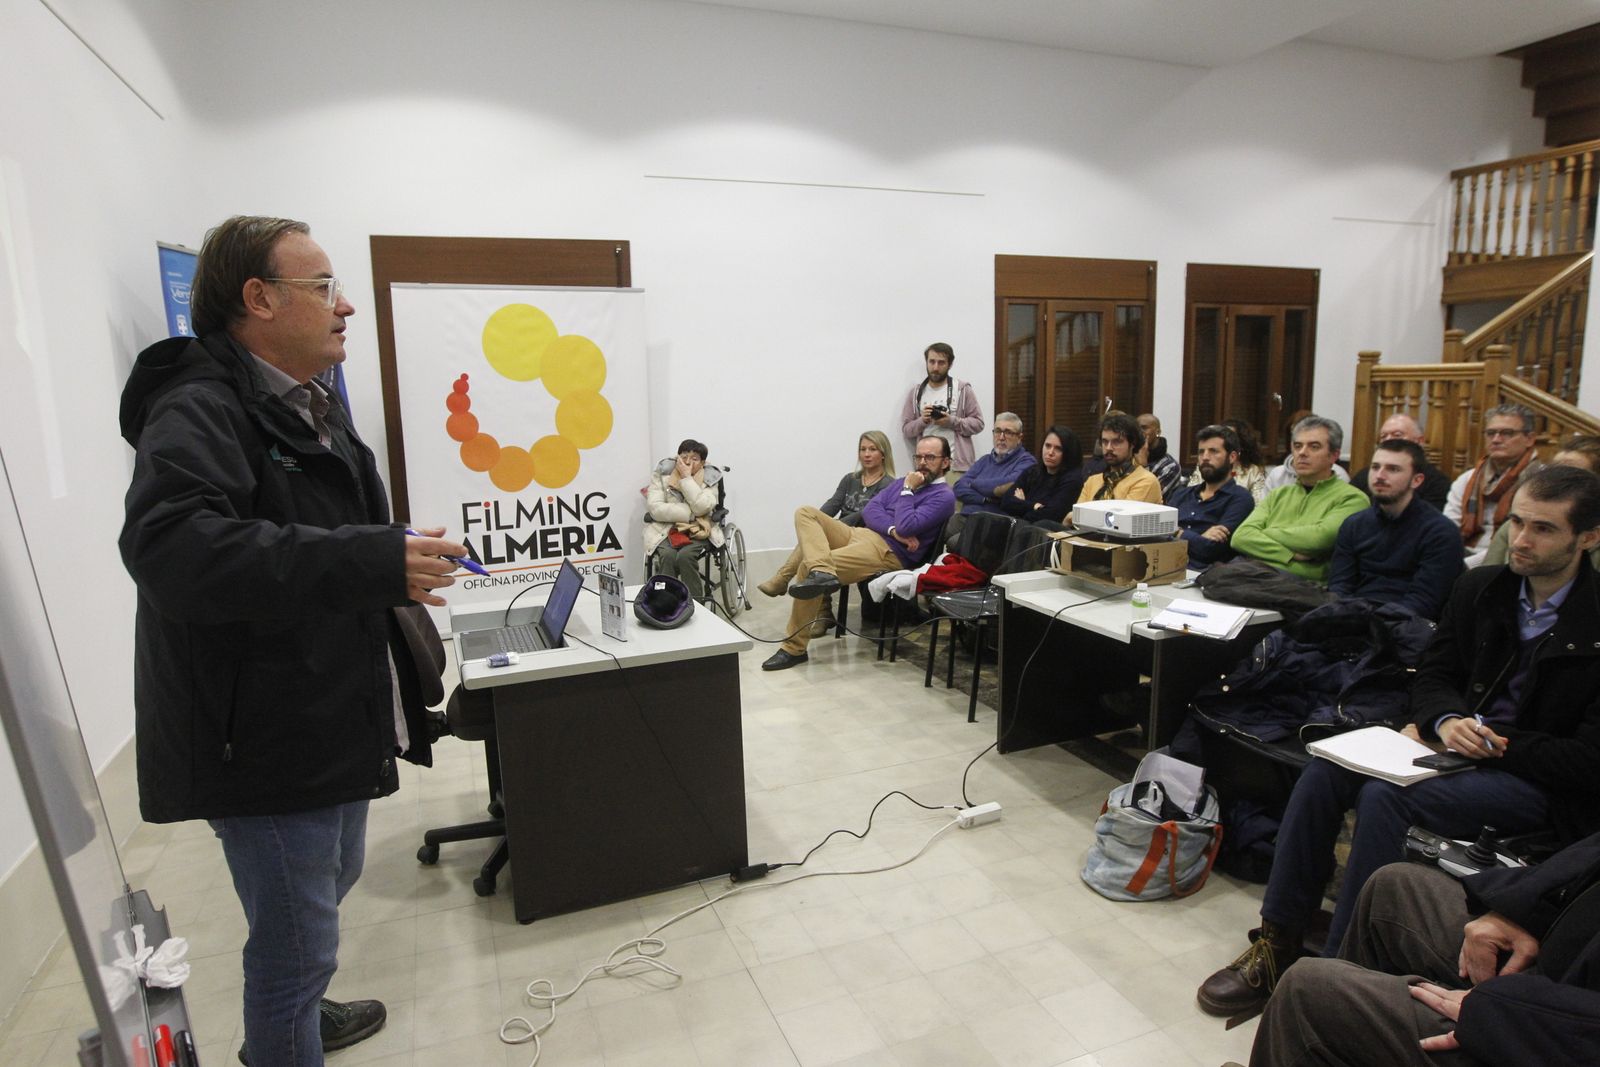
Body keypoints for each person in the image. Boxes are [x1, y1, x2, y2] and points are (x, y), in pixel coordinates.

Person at [118, 216, 467, 1065]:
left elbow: (304, 530)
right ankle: (286, 1030)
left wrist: (383, 550)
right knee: (295, 944)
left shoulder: (306, 399)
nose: (345, 305)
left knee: (329, 883)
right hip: (261, 735)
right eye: (323, 288)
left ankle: (299, 1015)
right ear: (259, 298)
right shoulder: (199, 407)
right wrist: (370, 558)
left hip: (323, 707)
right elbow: (173, 550)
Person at [1198, 464, 1600, 1021]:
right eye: (1517, 522)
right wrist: (1446, 719)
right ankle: (1278, 939)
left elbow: (1589, 760)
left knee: (1385, 796)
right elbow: (1433, 674)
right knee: (1324, 768)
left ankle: (1339, 972)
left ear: (1589, 537)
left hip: (1536, 782)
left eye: (1543, 529)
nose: (1522, 539)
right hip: (1453, 749)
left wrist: (1496, 741)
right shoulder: (1483, 588)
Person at [1239, 834, 1600, 1066]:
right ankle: (1279, 948)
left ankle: (1311, 1029)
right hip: (1561, 966)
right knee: (1393, 888)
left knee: (1309, 990)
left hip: (1557, 1030)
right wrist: (1523, 908)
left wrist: (1507, 1009)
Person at [761, 436, 956, 671]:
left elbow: (907, 526)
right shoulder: (903, 482)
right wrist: (892, 529)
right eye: (919, 457)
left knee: (807, 566)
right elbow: (871, 509)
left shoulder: (943, 496)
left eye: (930, 457)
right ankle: (820, 571)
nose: (922, 462)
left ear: (946, 462)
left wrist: (907, 490)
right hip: (864, 533)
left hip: (888, 552)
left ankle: (794, 649)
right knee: (806, 513)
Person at [758, 430, 896, 633]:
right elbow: (833, 503)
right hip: (839, 532)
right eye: (862, 449)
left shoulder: (889, 485)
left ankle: (786, 581)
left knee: (817, 549)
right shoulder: (850, 479)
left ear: (883, 454)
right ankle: (820, 611)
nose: (866, 454)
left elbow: (865, 515)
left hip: (863, 539)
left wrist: (828, 526)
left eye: (872, 449)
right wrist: (815, 523)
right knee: (813, 542)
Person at [1327, 439, 1464, 620]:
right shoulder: (1354, 524)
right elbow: (1340, 587)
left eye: (1393, 469)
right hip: (1352, 618)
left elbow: (1424, 602)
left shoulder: (1440, 532)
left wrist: (1372, 622)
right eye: (1375, 467)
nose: (1379, 476)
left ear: (1416, 480)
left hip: (1406, 625)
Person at [1229, 414, 1369, 584]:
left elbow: (1318, 540)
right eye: (1297, 446)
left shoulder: (1352, 498)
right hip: (1251, 574)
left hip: (1302, 585)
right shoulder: (1278, 494)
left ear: (1334, 455)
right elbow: (1240, 537)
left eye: (1314, 447)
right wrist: (1288, 554)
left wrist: (1264, 533)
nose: (1302, 453)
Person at [1484, 434, 1600, 571]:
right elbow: (1489, 576)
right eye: (1554, 470)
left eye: (1543, 529)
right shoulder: (1515, 525)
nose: (1556, 480)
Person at [1446, 402, 1541, 567]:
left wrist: (1465, 565)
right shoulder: (1467, 479)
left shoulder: (1540, 480)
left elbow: (1527, 538)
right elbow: (1448, 528)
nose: (1496, 439)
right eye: (1491, 433)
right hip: (1461, 554)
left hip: (1509, 559)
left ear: (1529, 439)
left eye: (1507, 433)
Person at [1166, 424, 1254, 569]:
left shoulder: (1240, 498)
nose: (1205, 457)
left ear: (1232, 457)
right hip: (1165, 566)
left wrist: (1176, 532)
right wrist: (1197, 537)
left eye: (1214, 451)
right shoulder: (1182, 494)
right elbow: (1158, 534)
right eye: (1201, 452)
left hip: (1206, 574)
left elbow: (1211, 549)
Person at [643, 439, 722, 601]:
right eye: (684, 457)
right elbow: (655, 507)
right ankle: (666, 601)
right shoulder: (663, 473)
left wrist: (686, 478)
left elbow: (703, 507)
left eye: (694, 459)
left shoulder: (711, 477)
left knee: (685, 556)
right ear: (677, 457)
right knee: (667, 556)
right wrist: (690, 514)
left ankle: (696, 602)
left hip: (699, 529)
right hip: (666, 528)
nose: (687, 462)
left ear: (703, 463)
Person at [899, 342, 984, 478]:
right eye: (932, 362)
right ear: (926, 362)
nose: (935, 367)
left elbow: (978, 424)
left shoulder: (962, 389)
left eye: (941, 363)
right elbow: (906, 430)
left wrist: (952, 421)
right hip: (925, 467)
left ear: (950, 364)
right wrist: (922, 421)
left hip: (956, 467)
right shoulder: (916, 392)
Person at [1350, 412, 1450, 510]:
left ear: (1419, 441)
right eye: (1383, 436)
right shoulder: (1365, 475)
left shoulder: (1437, 483)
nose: (1388, 440)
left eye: (1397, 435)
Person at [953, 412, 1035, 519]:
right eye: (998, 431)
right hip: (965, 517)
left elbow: (1009, 485)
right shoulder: (984, 460)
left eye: (1008, 432)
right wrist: (985, 499)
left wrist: (973, 483)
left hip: (995, 521)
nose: (1001, 437)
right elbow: (958, 487)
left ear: (1019, 437)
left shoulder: (1026, 461)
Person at [1000, 425, 1086, 525]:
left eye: (1058, 449)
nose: (1050, 452)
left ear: (1068, 453)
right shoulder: (1033, 471)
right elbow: (1006, 502)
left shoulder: (1073, 480)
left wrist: (1021, 505)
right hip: (1022, 528)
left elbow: (1050, 515)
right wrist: (1033, 506)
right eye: (1048, 446)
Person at [1077, 413, 1163, 504]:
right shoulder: (1092, 481)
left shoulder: (1145, 481)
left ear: (1132, 444)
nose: (1108, 448)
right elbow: (1078, 512)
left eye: (1117, 442)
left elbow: (1126, 513)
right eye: (1105, 442)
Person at [1135, 413, 1183, 500]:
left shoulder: (1170, 466)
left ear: (1158, 432)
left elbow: (1149, 497)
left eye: (1144, 428)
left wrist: (1143, 465)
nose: (1139, 432)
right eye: (1137, 429)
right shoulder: (1130, 456)